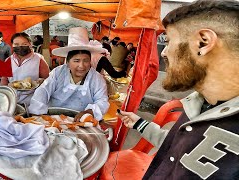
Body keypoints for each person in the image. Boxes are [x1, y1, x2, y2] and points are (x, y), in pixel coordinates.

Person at [118, 0, 239, 179]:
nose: (164, 52)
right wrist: (139, 124)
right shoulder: (201, 103)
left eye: (168, 41)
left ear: (203, 42)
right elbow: (182, 147)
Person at [28, 27, 109, 121]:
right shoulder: (58, 73)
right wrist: (37, 112)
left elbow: (102, 101)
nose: (81, 66)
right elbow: (43, 91)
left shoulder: (97, 78)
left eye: (86, 61)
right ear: (68, 62)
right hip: (54, 117)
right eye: (76, 61)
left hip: (83, 121)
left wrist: (90, 111)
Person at [0, 32, 50, 105]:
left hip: (33, 100)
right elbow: (4, 80)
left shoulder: (38, 59)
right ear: (12, 45)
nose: (20, 47)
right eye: (16, 44)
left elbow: (48, 80)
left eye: (24, 44)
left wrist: (42, 81)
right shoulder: (8, 60)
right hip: (12, 100)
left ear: (30, 44)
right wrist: (4, 96)